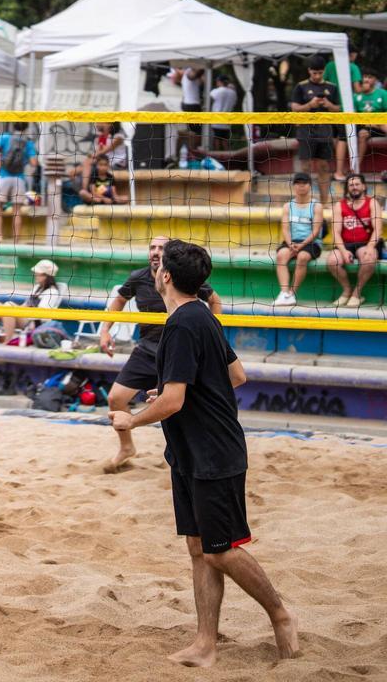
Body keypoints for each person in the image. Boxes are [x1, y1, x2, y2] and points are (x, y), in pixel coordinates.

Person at [110, 240, 298, 668]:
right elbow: (236, 375)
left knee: (220, 550)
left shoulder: (180, 325)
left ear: (166, 278)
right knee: (199, 548)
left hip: (213, 453)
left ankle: (281, 615)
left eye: (160, 265)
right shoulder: (202, 316)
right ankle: (205, 643)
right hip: (192, 451)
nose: (155, 269)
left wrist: (133, 420)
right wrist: (183, 387)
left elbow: (173, 402)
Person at [100, 236, 222, 473]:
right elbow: (118, 301)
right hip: (147, 350)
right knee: (116, 399)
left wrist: (215, 331)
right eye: (152, 248)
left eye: (161, 248)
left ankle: (189, 456)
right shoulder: (138, 278)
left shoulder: (182, 278)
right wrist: (105, 331)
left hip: (178, 350)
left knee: (180, 407)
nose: (155, 252)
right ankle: (127, 448)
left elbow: (214, 300)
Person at [291, 54, 342, 206]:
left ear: (324, 71)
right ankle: (304, 201)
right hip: (305, 130)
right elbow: (294, 108)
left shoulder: (332, 87)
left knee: (324, 167)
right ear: (309, 71)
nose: (317, 76)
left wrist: (329, 105)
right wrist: (309, 106)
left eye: (320, 72)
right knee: (305, 167)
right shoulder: (301, 86)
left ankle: (324, 203)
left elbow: (339, 109)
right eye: (314, 73)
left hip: (325, 131)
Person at [326, 173, 382, 308]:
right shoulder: (340, 205)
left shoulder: (372, 202)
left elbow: (378, 230)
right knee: (332, 261)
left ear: (364, 186)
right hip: (346, 243)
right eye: (351, 185)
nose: (354, 187)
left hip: (366, 243)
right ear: (347, 188)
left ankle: (357, 294)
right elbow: (336, 232)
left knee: (368, 259)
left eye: (357, 184)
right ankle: (346, 290)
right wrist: (343, 251)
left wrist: (370, 247)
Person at [274, 173, 323, 306]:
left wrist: (300, 246)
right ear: (294, 186)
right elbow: (285, 229)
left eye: (304, 183)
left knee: (302, 257)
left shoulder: (316, 206)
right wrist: (290, 244)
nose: (301, 186)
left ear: (310, 186)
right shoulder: (287, 206)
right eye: (298, 183)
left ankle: (292, 294)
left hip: (311, 242)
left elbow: (316, 231)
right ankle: (284, 293)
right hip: (292, 241)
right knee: (280, 256)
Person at [0, 122, 37, 243]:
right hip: (19, 179)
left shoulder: (5, 137)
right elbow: (34, 163)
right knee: (17, 211)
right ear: (27, 127)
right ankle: (17, 240)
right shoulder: (28, 142)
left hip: (3, 177)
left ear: (12, 125)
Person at [0, 260, 62, 345]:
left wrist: (17, 310)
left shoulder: (52, 292)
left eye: (38, 273)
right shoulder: (37, 287)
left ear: (46, 276)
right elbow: (25, 305)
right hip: (25, 316)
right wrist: (18, 309)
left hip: (32, 321)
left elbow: (41, 313)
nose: (35, 275)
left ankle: (7, 341)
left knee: (9, 305)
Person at [348, 70, 387, 177]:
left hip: (380, 125)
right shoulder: (356, 96)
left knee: (383, 124)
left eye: (370, 77)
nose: (366, 79)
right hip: (364, 126)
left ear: (375, 80)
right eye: (364, 76)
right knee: (363, 134)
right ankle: (355, 170)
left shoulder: (382, 93)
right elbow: (352, 115)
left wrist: (377, 122)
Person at [209, 75, 239, 151]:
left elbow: (208, 100)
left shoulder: (216, 91)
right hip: (227, 120)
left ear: (219, 82)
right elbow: (234, 103)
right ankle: (228, 159)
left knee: (216, 140)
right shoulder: (233, 93)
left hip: (217, 120)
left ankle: (217, 158)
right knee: (225, 141)